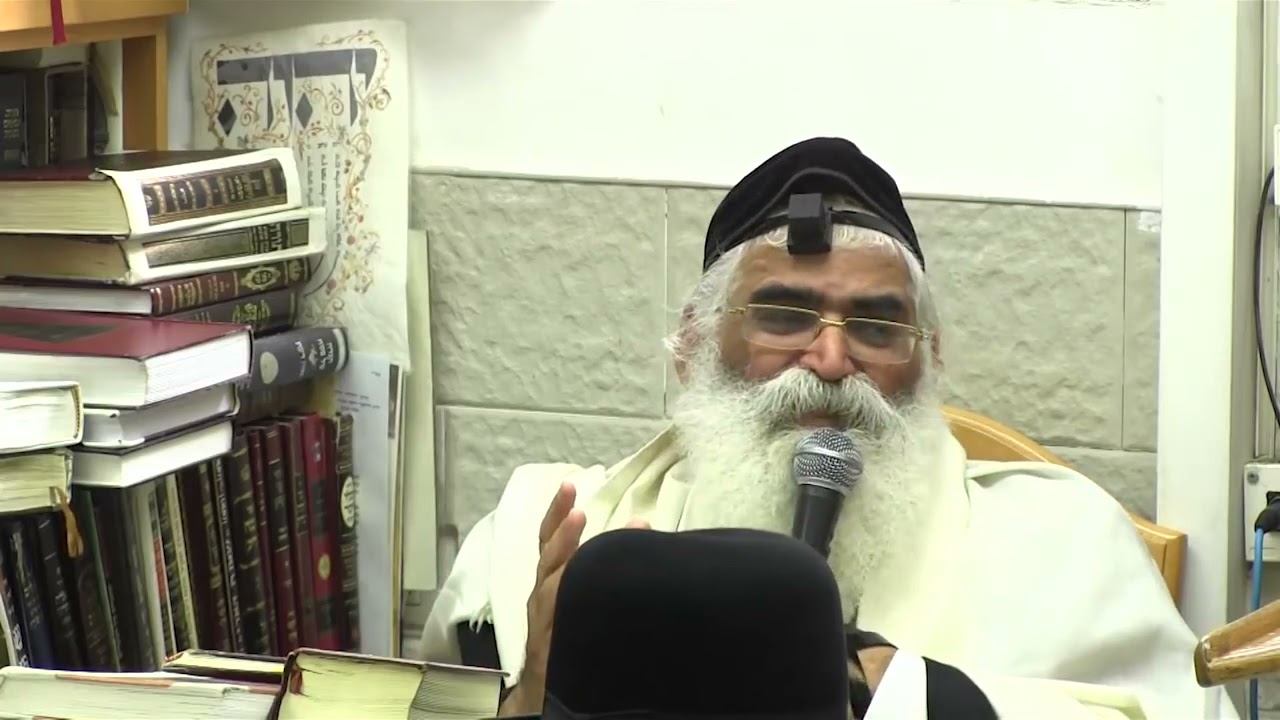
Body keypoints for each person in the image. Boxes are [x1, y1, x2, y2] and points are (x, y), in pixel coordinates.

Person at [422, 137, 1237, 719]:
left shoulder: (1062, 546)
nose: (832, 359)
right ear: (694, 346)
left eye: (877, 327)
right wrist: (535, 694)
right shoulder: (544, 532)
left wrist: (899, 694)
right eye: (783, 316)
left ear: (929, 357)